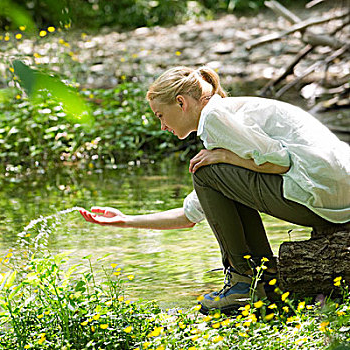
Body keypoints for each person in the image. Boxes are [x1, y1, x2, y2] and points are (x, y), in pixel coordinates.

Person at [78, 66, 350, 314]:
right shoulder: (226, 114)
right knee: (209, 171)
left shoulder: (215, 117)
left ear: (181, 103)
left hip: (322, 195)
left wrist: (225, 158)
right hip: (334, 196)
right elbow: (190, 215)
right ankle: (263, 281)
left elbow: (278, 161)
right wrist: (124, 220)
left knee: (206, 171)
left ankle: (245, 283)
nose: (162, 126)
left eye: (161, 116)